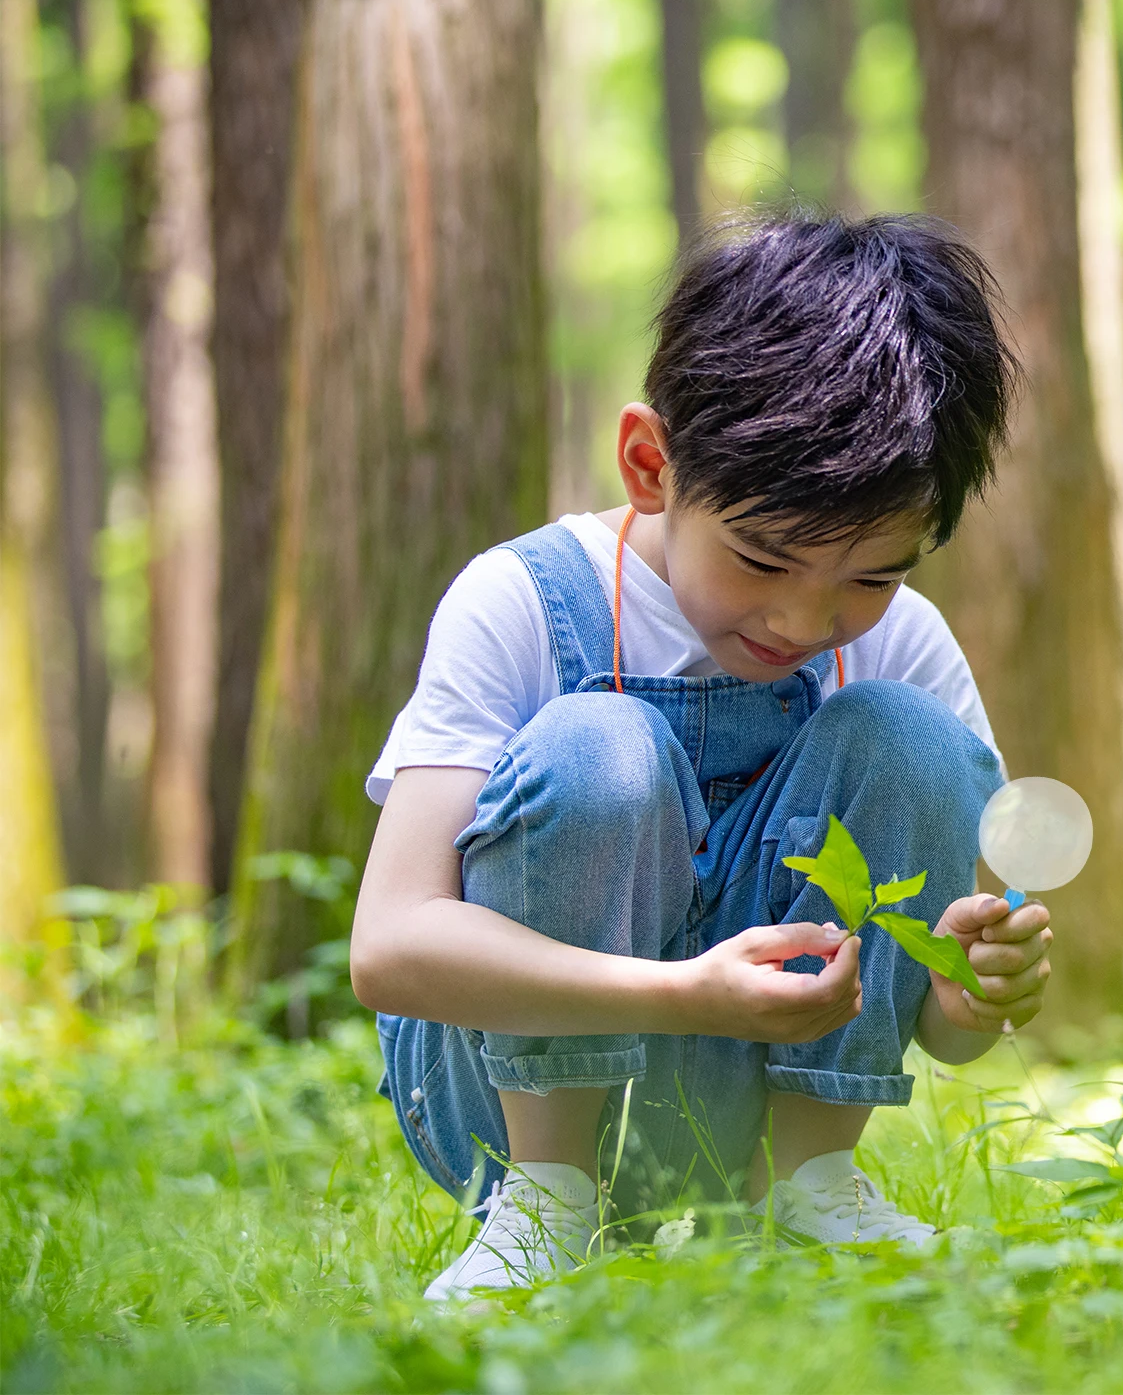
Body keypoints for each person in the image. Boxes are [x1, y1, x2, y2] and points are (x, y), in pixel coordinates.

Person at [350, 213, 1055, 1300]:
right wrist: (684, 992)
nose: (806, 618)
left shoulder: (899, 646)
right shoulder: (522, 601)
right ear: (649, 463)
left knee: (911, 737)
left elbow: (937, 1029)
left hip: (748, 1092)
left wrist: (975, 991)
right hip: (501, 1094)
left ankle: (807, 1182)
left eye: (870, 574)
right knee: (600, 745)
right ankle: (548, 1207)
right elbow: (390, 946)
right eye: (764, 557)